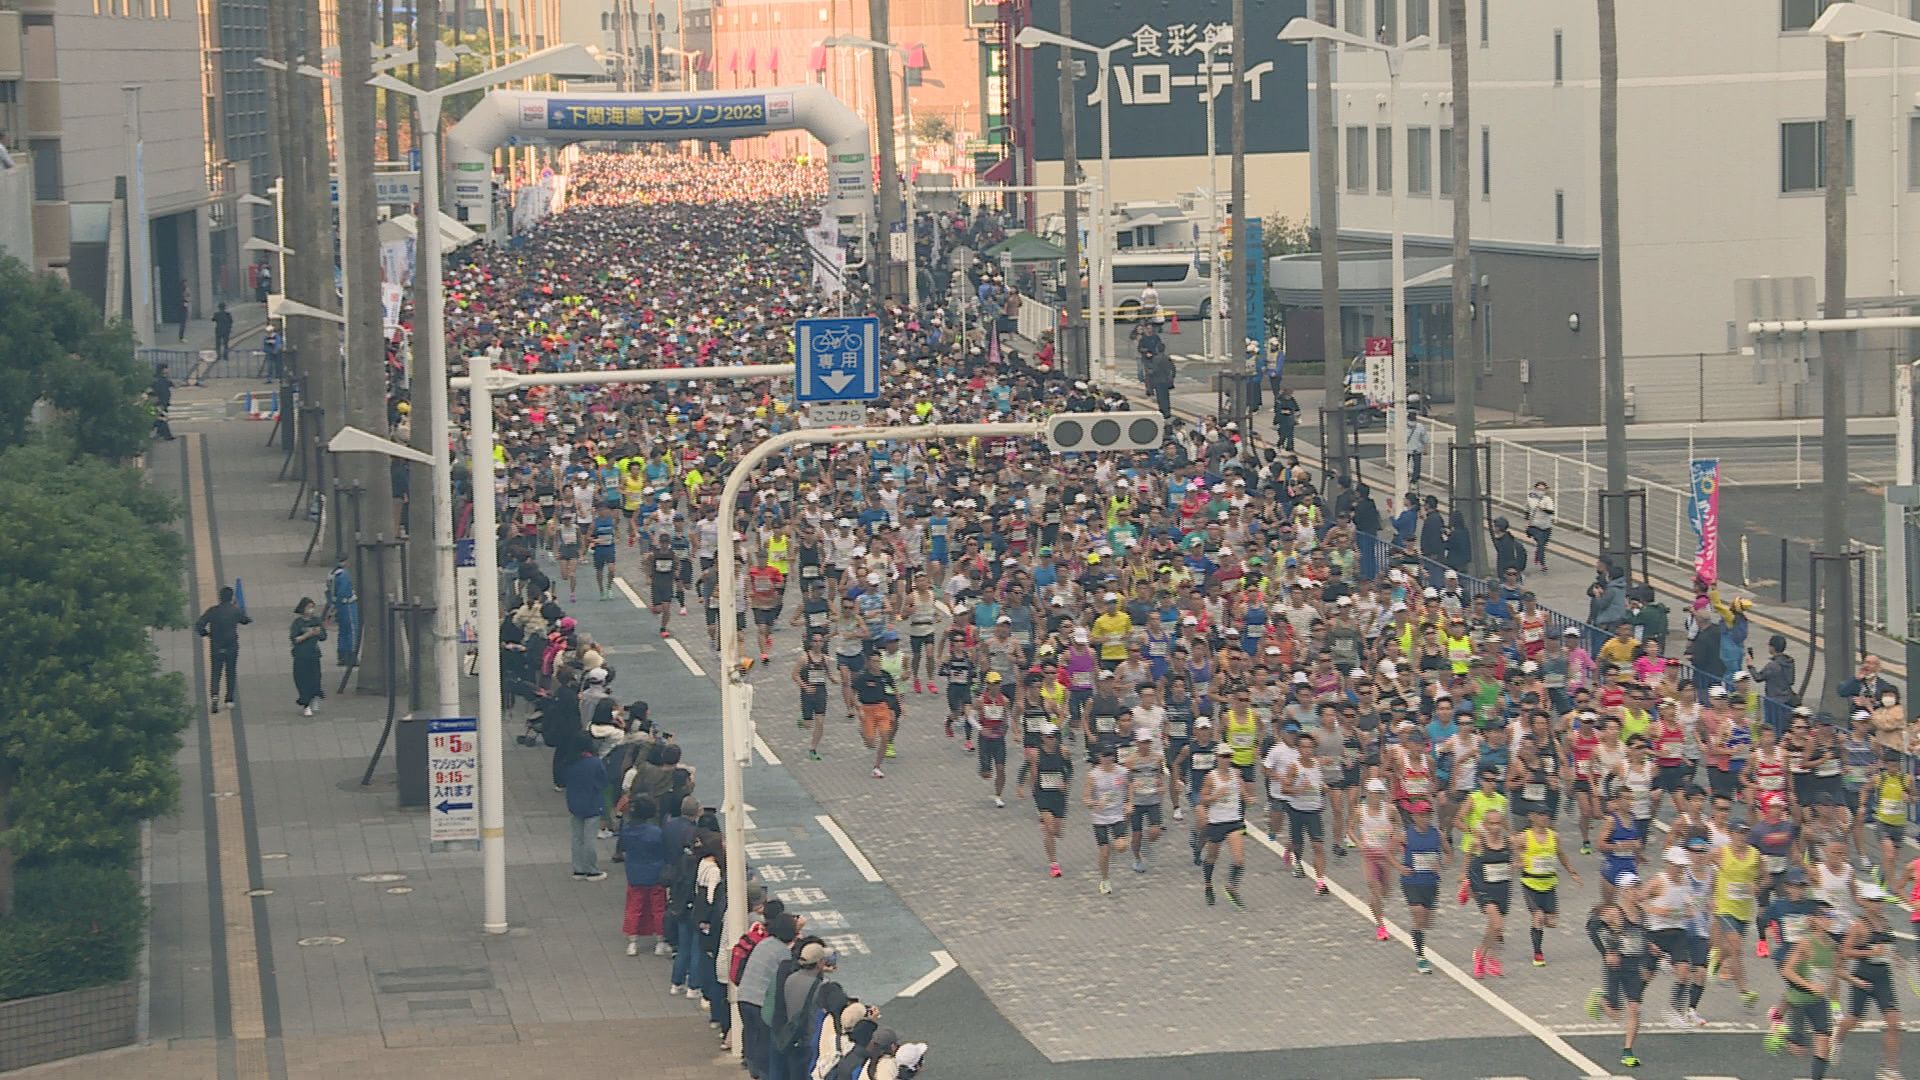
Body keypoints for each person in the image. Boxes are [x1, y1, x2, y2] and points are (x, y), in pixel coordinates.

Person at [618, 794, 670, 955]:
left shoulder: (626, 831)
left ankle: (632, 942)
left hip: (635, 874)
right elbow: (664, 851)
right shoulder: (655, 832)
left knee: (634, 907)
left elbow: (622, 849)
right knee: (658, 908)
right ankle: (660, 942)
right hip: (655, 874)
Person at [194, 584, 251, 712]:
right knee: (230, 671)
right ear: (231, 598)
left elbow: (199, 625)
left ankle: (214, 695)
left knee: (216, 672)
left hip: (216, 645)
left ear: (220, 597)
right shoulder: (234, 611)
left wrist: (206, 634)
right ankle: (229, 699)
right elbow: (245, 620)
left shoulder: (213, 611)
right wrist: (239, 609)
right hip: (231, 645)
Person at [563, 744, 608, 880]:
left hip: (574, 803)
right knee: (590, 839)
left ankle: (578, 869)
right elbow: (604, 782)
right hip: (592, 803)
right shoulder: (595, 763)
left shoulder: (569, 761)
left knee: (577, 838)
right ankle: (592, 870)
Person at [289, 597, 327, 716]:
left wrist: (318, 632)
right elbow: (295, 639)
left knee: (315, 678)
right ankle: (306, 704)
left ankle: (314, 697)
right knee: (302, 680)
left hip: (313, 655)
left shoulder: (316, 620)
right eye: (308, 607)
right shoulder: (297, 623)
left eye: (312, 607)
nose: (311, 610)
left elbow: (323, 636)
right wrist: (308, 634)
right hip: (301, 656)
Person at [325, 553, 359, 668]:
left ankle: (342, 656)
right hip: (347, 604)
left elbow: (329, 591)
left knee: (343, 631)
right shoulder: (344, 575)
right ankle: (352, 656)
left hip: (338, 605)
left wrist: (333, 606)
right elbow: (343, 591)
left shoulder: (331, 574)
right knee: (352, 630)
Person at [1525, 482, 1556, 572]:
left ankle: (1538, 553)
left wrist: (1543, 508)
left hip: (1546, 526)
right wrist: (1527, 522)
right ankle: (1543, 564)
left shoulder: (1548, 500)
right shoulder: (1530, 498)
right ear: (1535, 489)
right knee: (1541, 543)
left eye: (1542, 490)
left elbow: (1551, 511)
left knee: (1542, 544)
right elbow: (1527, 510)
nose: (1540, 491)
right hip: (1534, 526)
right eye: (1538, 489)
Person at [150, 363, 176, 441]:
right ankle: (167, 436)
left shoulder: (159, 378)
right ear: (163, 369)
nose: (168, 370)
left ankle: (160, 433)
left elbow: (170, 384)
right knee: (162, 418)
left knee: (160, 417)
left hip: (162, 402)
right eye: (166, 368)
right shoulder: (159, 379)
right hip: (160, 402)